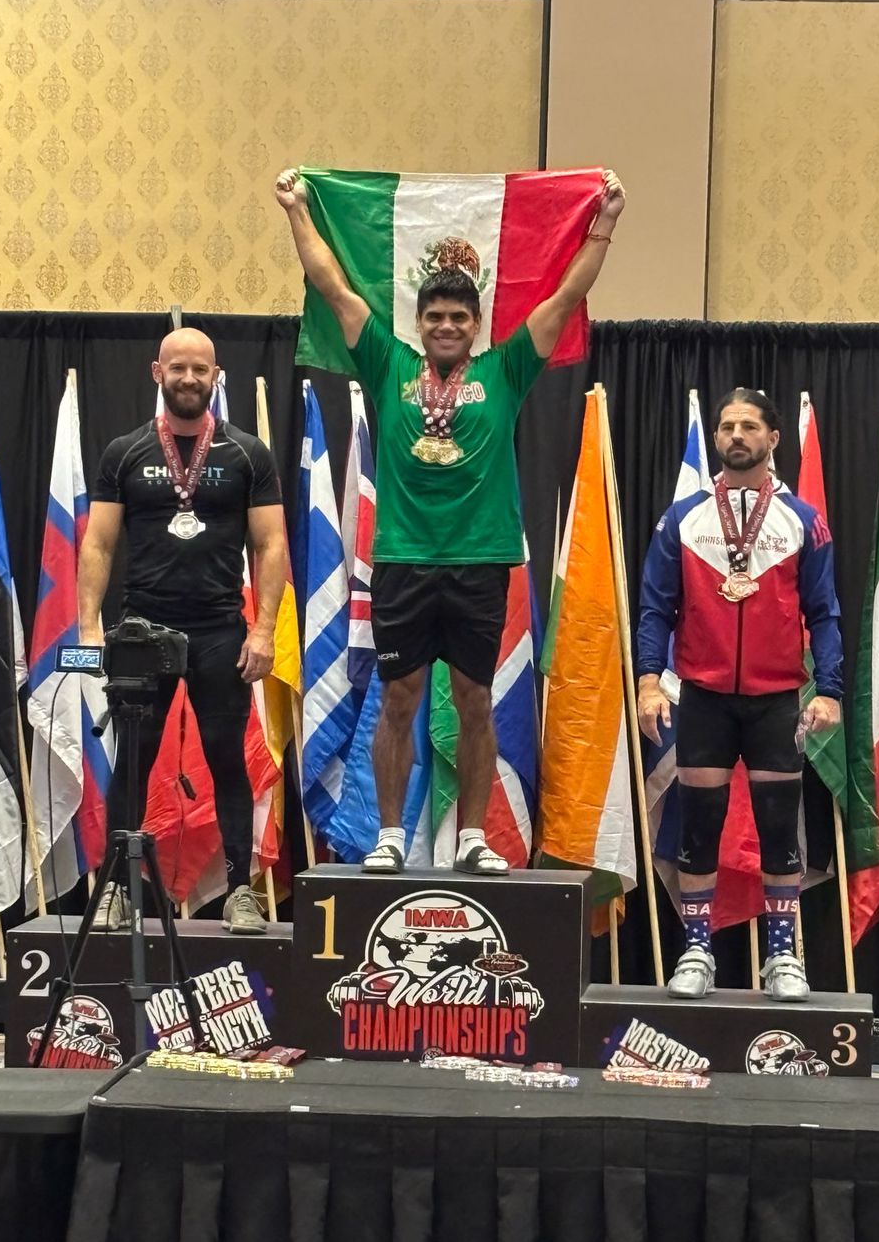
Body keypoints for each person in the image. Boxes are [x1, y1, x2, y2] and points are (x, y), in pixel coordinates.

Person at [275, 164, 625, 874]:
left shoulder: (507, 369)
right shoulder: (386, 362)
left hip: (480, 561)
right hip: (403, 560)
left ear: (475, 326)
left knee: (474, 699)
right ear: (420, 323)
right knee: (399, 698)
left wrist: (606, 224)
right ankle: (389, 836)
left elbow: (567, 296)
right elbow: (333, 287)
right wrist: (296, 211)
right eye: (435, 317)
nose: (446, 326)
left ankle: (471, 838)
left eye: (459, 318)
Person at [636, 388, 843, 1000]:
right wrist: (648, 681)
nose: (735, 435)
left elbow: (824, 612)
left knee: (779, 830)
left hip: (776, 699)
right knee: (699, 829)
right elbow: (655, 608)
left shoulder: (803, 520)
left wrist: (830, 690)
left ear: (773, 439)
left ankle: (781, 955)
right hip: (703, 698)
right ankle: (697, 951)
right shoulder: (683, 519)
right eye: (727, 426)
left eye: (749, 426)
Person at [79, 327, 287, 934]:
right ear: (158, 373)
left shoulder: (247, 454)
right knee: (133, 762)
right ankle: (118, 890)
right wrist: (88, 625)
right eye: (179, 368)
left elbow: (271, 545)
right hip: (142, 630)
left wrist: (264, 631)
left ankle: (241, 892)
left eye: (201, 369)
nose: (190, 379)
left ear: (216, 376)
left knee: (227, 760)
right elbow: (98, 543)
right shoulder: (125, 452)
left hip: (221, 630)